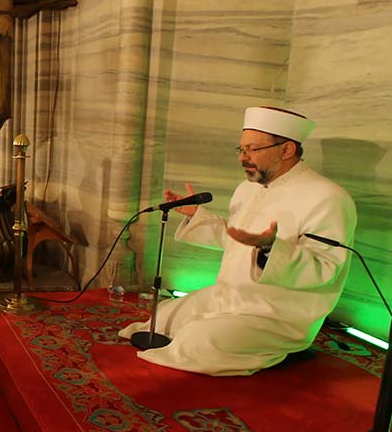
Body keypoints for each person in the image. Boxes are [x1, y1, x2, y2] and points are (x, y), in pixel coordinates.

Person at [119, 107, 358, 375]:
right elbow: (235, 239)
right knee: (162, 319)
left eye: (252, 149)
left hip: (277, 314)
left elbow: (325, 269)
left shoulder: (328, 198)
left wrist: (270, 248)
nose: (243, 158)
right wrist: (199, 216)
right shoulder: (247, 189)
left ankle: (277, 348)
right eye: (241, 149)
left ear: (287, 149)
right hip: (229, 297)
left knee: (198, 341)